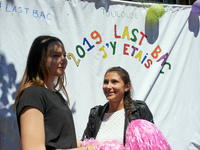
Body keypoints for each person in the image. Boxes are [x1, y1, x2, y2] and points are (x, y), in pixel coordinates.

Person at [14, 35, 96, 150]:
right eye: (56, 56)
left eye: (64, 56)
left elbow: (60, 140)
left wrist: (86, 144)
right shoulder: (33, 94)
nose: (63, 60)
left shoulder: (56, 95)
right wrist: (87, 149)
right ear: (40, 59)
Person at [82, 66, 154, 145]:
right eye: (106, 82)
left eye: (114, 82)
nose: (108, 86)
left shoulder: (139, 109)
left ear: (127, 86)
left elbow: (152, 144)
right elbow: (85, 144)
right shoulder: (96, 113)